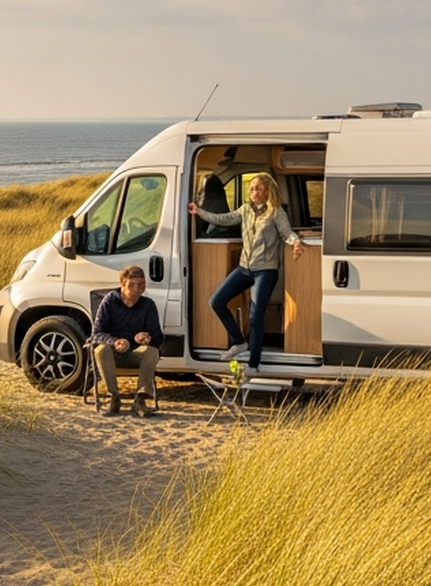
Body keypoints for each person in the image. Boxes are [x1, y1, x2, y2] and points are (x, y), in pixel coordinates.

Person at [190, 172, 303, 369]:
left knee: (255, 317)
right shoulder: (245, 210)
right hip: (245, 268)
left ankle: (254, 363)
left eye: (257, 188)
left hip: (266, 270)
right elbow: (223, 219)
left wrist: (296, 243)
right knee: (216, 301)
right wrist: (199, 212)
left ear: (267, 191)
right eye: (251, 188)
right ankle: (239, 341)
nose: (253, 192)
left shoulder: (276, 212)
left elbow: (287, 233)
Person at [91, 264, 163, 417]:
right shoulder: (110, 301)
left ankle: (140, 400)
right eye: (133, 285)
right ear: (122, 283)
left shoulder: (148, 305)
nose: (137, 288)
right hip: (112, 355)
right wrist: (114, 342)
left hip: (135, 353)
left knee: (152, 351)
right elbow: (96, 333)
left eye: (141, 285)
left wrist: (147, 338)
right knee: (101, 349)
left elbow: (158, 338)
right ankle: (114, 398)